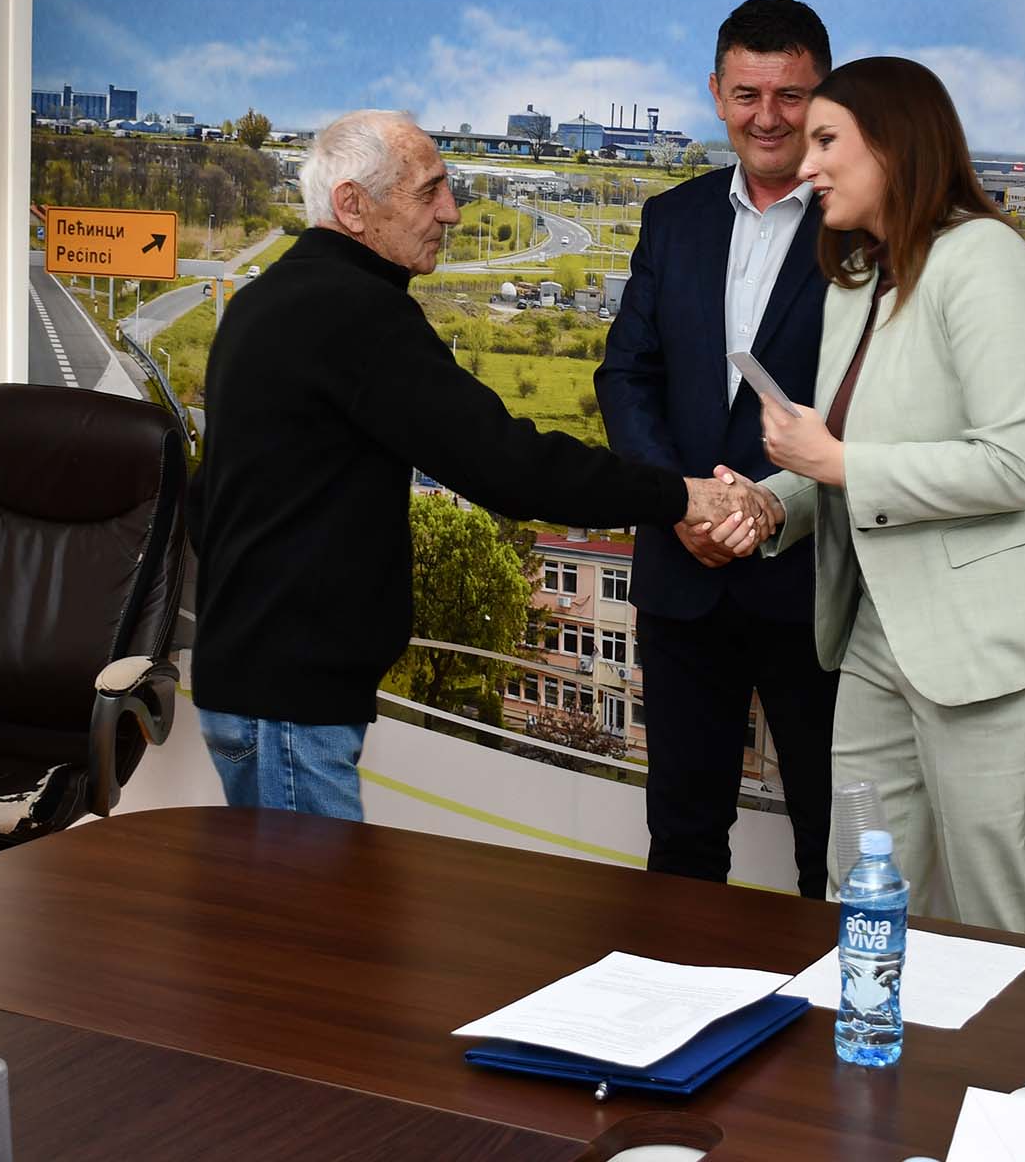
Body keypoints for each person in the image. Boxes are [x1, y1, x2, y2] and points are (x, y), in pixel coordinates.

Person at [191, 110, 764, 819]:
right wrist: (679, 496)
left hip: (257, 688)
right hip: (288, 708)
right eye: (428, 191)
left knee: (287, 890)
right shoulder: (356, 313)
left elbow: (208, 501)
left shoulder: (264, 302)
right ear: (353, 205)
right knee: (305, 893)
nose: (452, 212)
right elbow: (510, 465)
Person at [749, 57, 1025, 937]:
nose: (805, 165)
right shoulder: (860, 279)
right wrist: (774, 500)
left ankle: (1023, 1038)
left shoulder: (985, 260)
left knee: (999, 915)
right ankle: (871, 1030)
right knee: (863, 895)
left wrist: (833, 463)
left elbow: (1014, 464)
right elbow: (853, 452)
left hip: (997, 643)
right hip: (882, 628)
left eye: (826, 140)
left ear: (893, 144)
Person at [595, 0, 839, 898]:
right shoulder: (673, 218)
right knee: (683, 841)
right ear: (715, 93)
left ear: (823, 97)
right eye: (747, 94)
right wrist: (682, 503)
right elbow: (627, 376)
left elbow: (876, 406)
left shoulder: (864, 225)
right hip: (683, 575)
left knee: (836, 852)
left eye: (790, 95)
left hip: (814, 587)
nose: (767, 118)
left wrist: (769, 506)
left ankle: (835, 996)